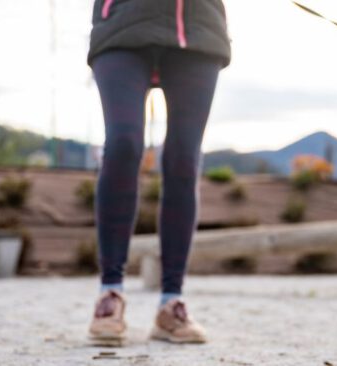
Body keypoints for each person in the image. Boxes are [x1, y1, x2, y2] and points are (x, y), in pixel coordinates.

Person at [85, 0, 230, 344]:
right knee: (123, 145)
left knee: (183, 157)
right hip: (122, 22)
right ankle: (110, 293)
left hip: (198, 28)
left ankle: (171, 302)